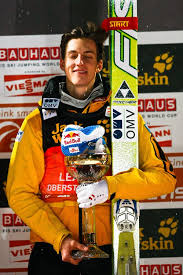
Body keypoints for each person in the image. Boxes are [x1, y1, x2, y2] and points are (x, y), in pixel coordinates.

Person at [6, 22, 176, 275]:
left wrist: (111, 186)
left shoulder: (124, 118)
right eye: (73, 55)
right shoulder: (37, 122)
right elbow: (19, 192)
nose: (79, 62)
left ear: (99, 65)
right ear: (62, 63)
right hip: (52, 251)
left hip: (110, 249)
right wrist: (60, 238)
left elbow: (165, 179)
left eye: (88, 56)